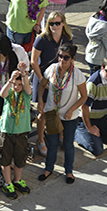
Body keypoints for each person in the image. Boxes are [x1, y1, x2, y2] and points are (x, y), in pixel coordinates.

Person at [38, 44, 87, 184]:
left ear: (72, 58)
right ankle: (48, 169)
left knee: (68, 144)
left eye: (66, 57)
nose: (62, 60)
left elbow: (84, 96)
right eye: (60, 56)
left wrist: (72, 109)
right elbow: (42, 84)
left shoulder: (77, 74)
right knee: (52, 144)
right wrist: (41, 101)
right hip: (53, 114)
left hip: (69, 116)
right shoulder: (52, 69)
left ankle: (69, 171)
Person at [30, 12, 73, 156]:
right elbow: (33, 61)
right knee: (42, 111)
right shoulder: (42, 39)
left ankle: (59, 135)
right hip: (43, 77)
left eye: (57, 23)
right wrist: (42, 79)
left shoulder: (67, 39)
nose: (54, 26)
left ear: (63, 23)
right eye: (51, 23)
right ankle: (40, 139)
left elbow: (70, 60)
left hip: (59, 79)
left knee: (59, 108)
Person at [74, 56, 107, 157]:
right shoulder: (94, 83)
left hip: (101, 117)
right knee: (97, 150)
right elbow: (84, 106)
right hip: (85, 119)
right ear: (102, 68)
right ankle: (76, 132)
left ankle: (97, 135)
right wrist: (89, 128)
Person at [0, 68, 32, 200]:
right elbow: (2, 93)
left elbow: (28, 88)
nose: (17, 87)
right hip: (7, 132)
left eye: (19, 85)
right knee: (5, 159)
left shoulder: (26, 95)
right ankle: (8, 183)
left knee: (20, 159)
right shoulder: (9, 94)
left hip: (21, 133)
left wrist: (24, 75)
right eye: (15, 85)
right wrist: (11, 79)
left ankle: (17, 180)